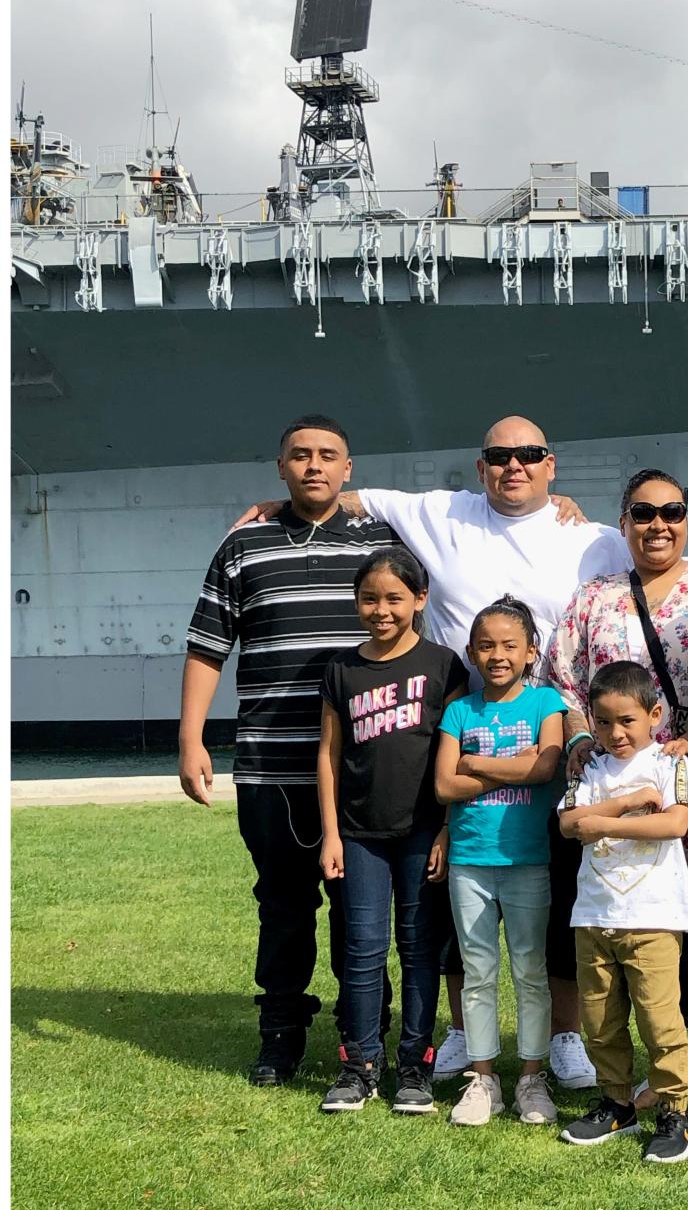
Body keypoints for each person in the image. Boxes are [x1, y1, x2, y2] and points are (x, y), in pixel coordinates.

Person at [236, 415, 631, 1089]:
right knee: (449, 910)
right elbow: (349, 493)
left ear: (552, 464)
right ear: (480, 467)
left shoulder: (597, 539)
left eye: (530, 455)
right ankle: (456, 1032)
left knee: (555, 899)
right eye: (500, 455)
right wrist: (281, 505)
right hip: (448, 734)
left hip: (555, 743)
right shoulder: (441, 512)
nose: (515, 465)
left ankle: (565, 1036)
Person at [180, 415, 398, 1086]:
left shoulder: (384, 541)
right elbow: (208, 644)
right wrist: (190, 736)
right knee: (281, 907)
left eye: (328, 455)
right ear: (280, 467)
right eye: (300, 455)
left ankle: (364, 1037)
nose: (314, 466)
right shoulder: (243, 544)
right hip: (272, 764)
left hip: (364, 766)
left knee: (358, 911)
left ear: (348, 468)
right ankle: (279, 1037)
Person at [546, 468, 688, 1122]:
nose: (657, 524)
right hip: (620, 800)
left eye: (671, 510)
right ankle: (648, 1076)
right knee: (642, 935)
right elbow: (562, 679)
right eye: (643, 513)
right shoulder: (594, 600)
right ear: (624, 523)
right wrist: (583, 736)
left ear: (687, 517)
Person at [317, 548, 469, 1112]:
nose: (381, 610)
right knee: (361, 948)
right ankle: (358, 1064)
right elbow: (329, 755)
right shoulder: (341, 669)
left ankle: (414, 1064)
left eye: (394, 599)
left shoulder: (442, 664)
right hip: (358, 835)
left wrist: (447, 830)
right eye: (369, 599)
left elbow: (455, 755)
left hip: (422, 832)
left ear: (419, 600)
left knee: (419, 948)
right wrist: (331, 834)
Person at [557, 662, 688, 1165]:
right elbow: (569, 824)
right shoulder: (590, 769)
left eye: (627, 720)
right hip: (594, 914)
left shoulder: (670, 762)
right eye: (603, 722)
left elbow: (674, 824)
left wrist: (599, 821)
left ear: (654, 715)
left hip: (653, 917)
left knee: (660, 1020)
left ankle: (675, 1115)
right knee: (599, 1019)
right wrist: (630, 802)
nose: (615, 733)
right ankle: (616, 1103)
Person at [435, 596, 566, 1127]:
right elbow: (445, 785)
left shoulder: (546, 704)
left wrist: (477, 763)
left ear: (531, 651)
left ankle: (532, 1077)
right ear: (470, 651)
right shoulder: (460, 710)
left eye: (510, 645)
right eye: (485, 645)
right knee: (478, 971)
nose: (497, 655)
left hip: (528, 858)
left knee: (531, 970)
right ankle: (483, 1077)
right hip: (470, 858)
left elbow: (547, 767)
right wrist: (515, 762)